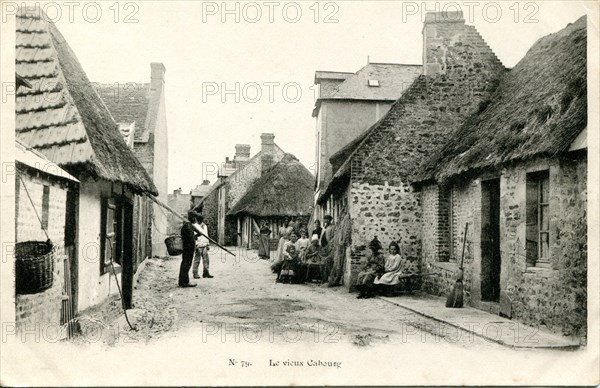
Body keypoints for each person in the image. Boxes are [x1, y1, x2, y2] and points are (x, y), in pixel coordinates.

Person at [179, 211, 200, 287]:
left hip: (187, 247)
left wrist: (197, 235)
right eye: (194, 217)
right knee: (186, 264)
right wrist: (197, 235)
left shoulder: (188, 225)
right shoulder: (188, 226)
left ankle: (183, 281)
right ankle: (184, 282)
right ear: (191, 217)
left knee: (185, 264)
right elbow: (191, 238)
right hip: (188, 248)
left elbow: (191, 237)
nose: (195, 219)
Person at [192, 214, 213, 279]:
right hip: (198, 245)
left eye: (201, 220)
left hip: (205, 244)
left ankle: (206, 273)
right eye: (199, 220)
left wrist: (207, 244)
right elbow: (194, 237)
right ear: (197, 220)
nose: (200, 221)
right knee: (197, 260)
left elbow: (206, 235)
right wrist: (196, 245)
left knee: (206, 260)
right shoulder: (194, 226)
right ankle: (195, 273)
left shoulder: (205, 226)